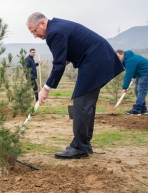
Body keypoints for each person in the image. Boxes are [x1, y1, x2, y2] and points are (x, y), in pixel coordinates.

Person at [27, 12, 124, 159]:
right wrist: (68, 57)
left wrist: (45, 88)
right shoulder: (57, 26)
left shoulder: (54, 32)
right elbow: (71, 48)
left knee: (81, 103)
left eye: (34, 31)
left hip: (95, 59)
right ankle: (84, 144)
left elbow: (58, 65)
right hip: (98, 57)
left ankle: (79, 147)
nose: (35, 35)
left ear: (42, 23)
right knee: (86, 103)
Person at [115, 50, 148, 115]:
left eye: (118, 57)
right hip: (141, 74)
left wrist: (125, 87)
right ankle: (143, 109)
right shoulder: (127, 59)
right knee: (136, 90)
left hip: (145, 74)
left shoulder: (130, 60)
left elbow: (128, 74)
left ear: (122, 54)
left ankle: (136, 109)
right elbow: (136, 68)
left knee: (141, 91)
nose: (118, 59)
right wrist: (134, 77)